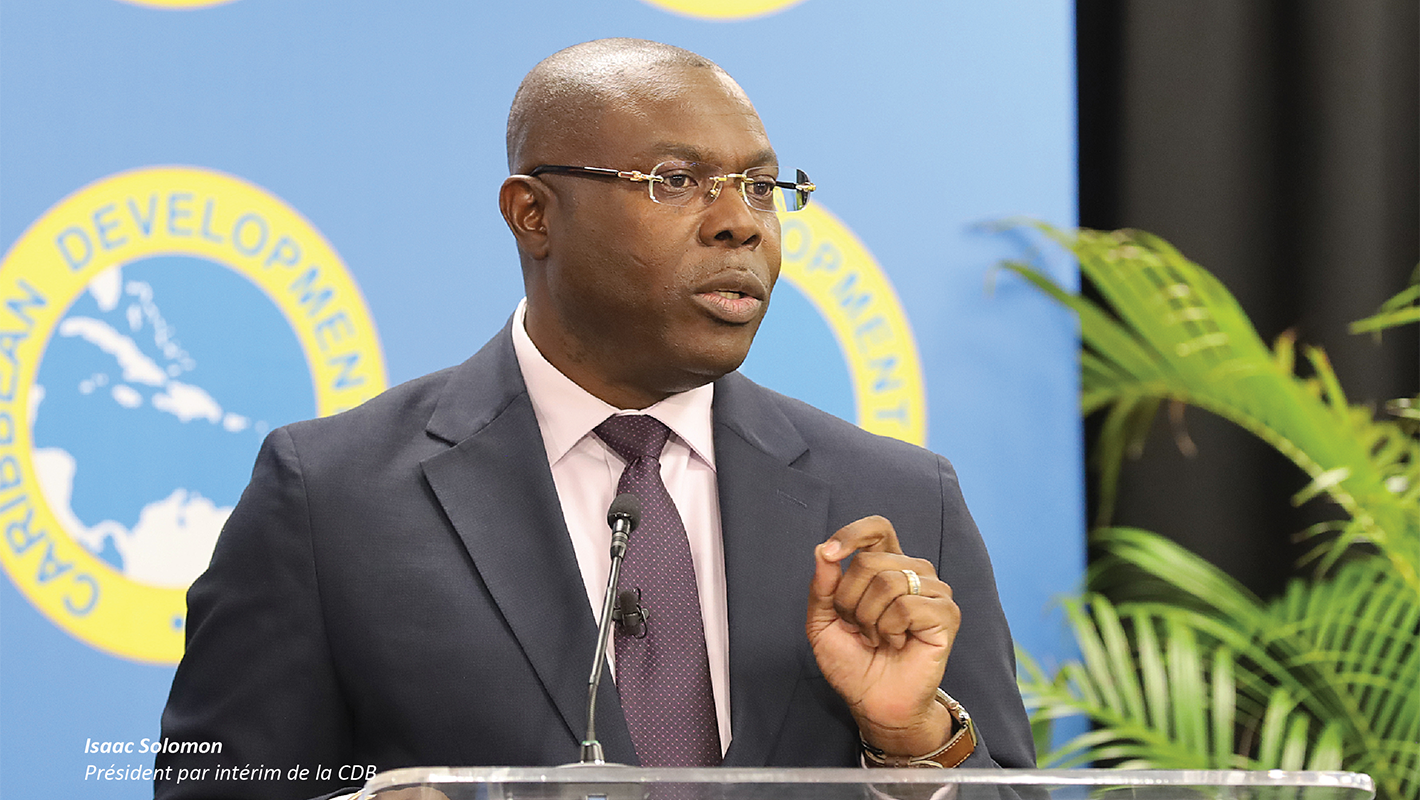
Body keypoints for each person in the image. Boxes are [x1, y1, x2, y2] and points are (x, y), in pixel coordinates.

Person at [155, 38, 1035, 800]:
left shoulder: (898, 498)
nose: (741, 224)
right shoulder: (331, 498)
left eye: (762, 187)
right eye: (677, 181)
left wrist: (912, 742)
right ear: (532, 214)